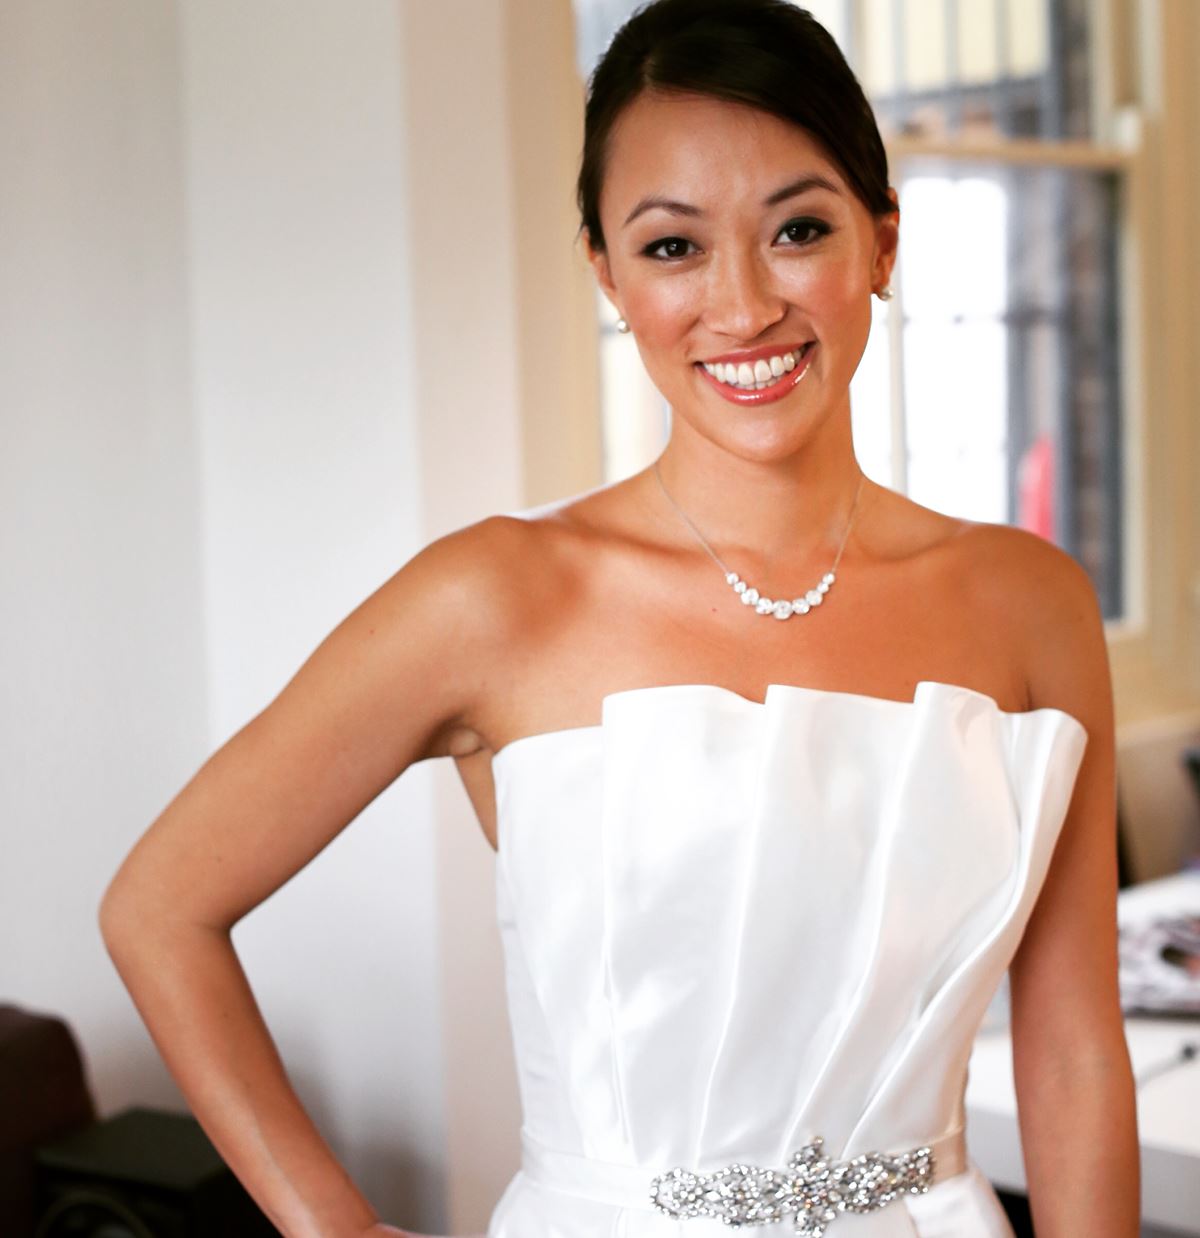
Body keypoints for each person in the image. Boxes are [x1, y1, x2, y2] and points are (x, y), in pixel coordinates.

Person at [99, 1, 1140, 1235]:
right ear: (604, 268)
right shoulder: (494, 597)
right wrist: (335, 1222)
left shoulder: (1030, 601)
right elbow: (161, 905)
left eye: (797, 228)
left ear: (882, 242)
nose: (743, 305)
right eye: (672, 248)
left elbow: (1072, 1050)